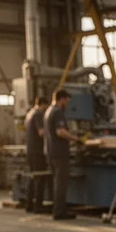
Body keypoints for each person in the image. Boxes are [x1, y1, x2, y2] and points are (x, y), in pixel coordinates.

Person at [44, 89, 83, 220]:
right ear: (61, 99)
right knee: (61, 184)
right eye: (66, 100)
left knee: (57, 183)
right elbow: (60, 132)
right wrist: (76, 139)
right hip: (60, 153)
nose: (67, 103)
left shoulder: (48, 111)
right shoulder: (58, 112)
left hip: (51, 152)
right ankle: (59, 212)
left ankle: (58, 209)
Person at [24, 96, 50, 213]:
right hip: (38, 152)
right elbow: (41, 132)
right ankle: (38, 206)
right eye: (46, 106)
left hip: (30, 151)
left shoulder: (29, 114)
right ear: (43, 104)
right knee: (40, 178)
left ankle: (29, 204)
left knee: (32, 177)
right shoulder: (38, 115)